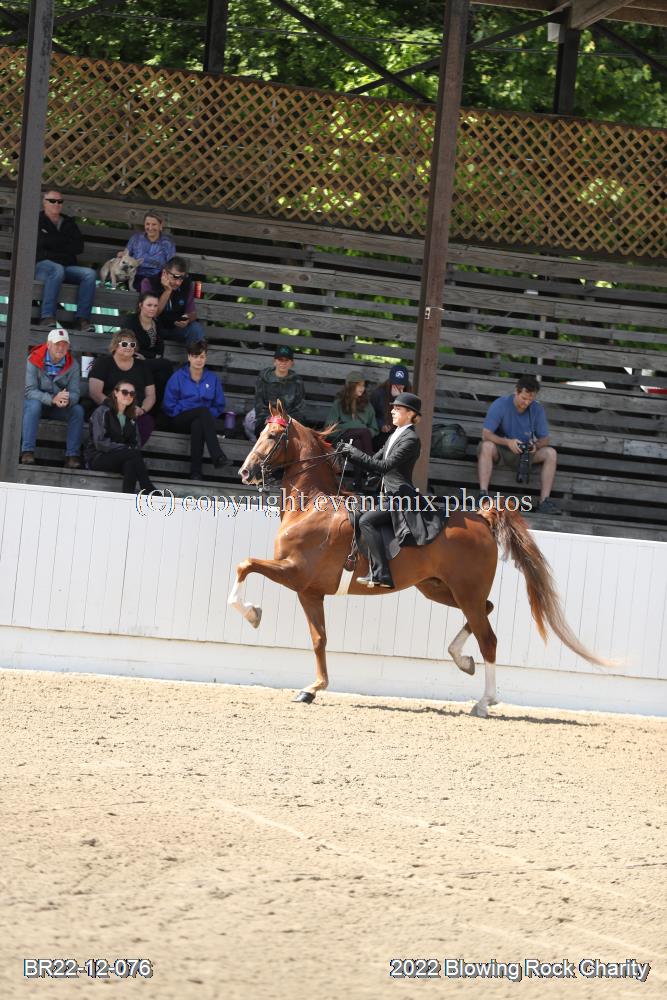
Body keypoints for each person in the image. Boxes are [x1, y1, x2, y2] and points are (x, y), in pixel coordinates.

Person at [340, 392, 441, 589]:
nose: (392, 411)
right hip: (386, 495)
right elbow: (373, 461)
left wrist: (353, 453)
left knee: (366, 521)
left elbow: (384, 466)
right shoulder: (394, 436)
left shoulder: (411, 439)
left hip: (400, 498)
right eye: (393, 407)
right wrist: (347, 454)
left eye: (398, 408)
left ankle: (382, 574)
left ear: (410, 414)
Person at [478, 374, 560, 514]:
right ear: (516, 391)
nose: (526, 403)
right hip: (501, 450)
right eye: (524, 398)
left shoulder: (537, 409)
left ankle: (544, 501)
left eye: (530, 399)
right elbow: (485, 434)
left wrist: (536, 446)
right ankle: (483, 495)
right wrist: (507, 442)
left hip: (524, 453)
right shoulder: (501, 404)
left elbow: (545, 439)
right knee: (486, 446)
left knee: (551, 453)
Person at [162, 339, 232, 480]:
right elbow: (169, 405)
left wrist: (205, 416)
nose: (199, 360)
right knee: (202, 411)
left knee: (198, 423)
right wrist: (188, 409)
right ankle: (217, 456)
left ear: (206, 358)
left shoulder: (212, 378)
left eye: (202, 356)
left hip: (203, 421)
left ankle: (196, 473)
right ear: (189, 357)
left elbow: (219, 405)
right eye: (195, 356)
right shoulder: (178, 377)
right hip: (180, 419)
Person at [21, 327, 84, 468]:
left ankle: (72, 456)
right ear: (48, 344)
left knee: (77, 411)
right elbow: (29, 391)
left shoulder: (73, 365)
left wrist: (67, 400)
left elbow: (75, 393)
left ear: (68, 346)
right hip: (34, 405)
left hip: (58, 408)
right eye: (57, 344)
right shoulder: (33, 359)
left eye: (64, 344)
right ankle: (27, 452)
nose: (61, 348)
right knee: (34, 405)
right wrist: (52, 399)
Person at [35, 188, 97, 331]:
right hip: (43, 267)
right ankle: (47, 317)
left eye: (60, 201)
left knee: (90, 274)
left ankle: (82, 320)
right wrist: (63, 244)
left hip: (66, 267)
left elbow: (78, 247)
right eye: (52, 201)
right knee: (57, 269)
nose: (56, 204)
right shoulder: (37, 220)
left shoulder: (69, 222)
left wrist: (52, 243)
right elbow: (39, 245)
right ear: (44, 203)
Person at [86, 381, 157, 494]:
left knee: (130, 463)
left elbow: (136, 442)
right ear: (115, 393)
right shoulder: (102, 411)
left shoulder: (131, 416)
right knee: (132, 454)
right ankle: (148, 487)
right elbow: (100, 443)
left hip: (121, 457)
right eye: (124, 392)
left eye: (132, 394)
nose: (128, 396)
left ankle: (128, 495)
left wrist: (127, 450)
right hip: (98, 457)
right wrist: (125, 449)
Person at [87, 331, 156, 444]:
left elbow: (151, 395)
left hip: (134, 411)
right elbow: (95, 393)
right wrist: (118, 408)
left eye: (132, 344)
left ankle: (131, 450)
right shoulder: (103, 362)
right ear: (115, 345)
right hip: (109, 409)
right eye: (124, 344)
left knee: (147, 421)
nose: (129, 347)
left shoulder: (142, 366)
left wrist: (142, 410)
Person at [120, 292, 174, 405]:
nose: (152, 308)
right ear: (141, 305)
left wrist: (148, 357)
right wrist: (152, 356)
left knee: (161, 375)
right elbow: (131, 346)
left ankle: (155, 409)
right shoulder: (131, 321)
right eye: (149, 305)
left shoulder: (157, 324)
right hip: (132, 360)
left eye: (155, 306)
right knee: (166, 365)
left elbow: (160, 349)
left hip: (149, 362)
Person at [140, 256, 204, 346]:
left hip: (177, 329)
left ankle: (196, 355)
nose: (178, 283)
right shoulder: (149, 283)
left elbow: (192, 313)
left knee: (195, 328)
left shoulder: (187, 284)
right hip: (155, 328)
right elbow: (151, 314)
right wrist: (167, 291)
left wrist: (188, 319)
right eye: (175, 277)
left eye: (181, 278)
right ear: (164, 273)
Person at [253, 344, 306, 438]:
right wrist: (269, 419)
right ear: (274, 361)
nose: (283, 363)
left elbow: (299, 408)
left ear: (292, 363)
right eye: (280, 359)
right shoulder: (263, 378)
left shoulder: (297, 382)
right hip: (266, 420)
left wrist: (285, 420)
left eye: (287, 360)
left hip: (288, 421)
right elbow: (259, 404)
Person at [326, 371, 378, 455]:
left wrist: (364, 432)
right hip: (341, 438)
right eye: (359, 385)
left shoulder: (367, 405)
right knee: (363, 432)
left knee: (358, 443)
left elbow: (374, 429)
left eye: (363, 385)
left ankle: (366, 463)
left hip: (361, 439)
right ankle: (370, 461)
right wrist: (354, 426)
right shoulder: (338, 403)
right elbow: (329, 427)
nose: (362, 388)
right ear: (351, 386)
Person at [122, 211, 176, 290]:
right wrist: (121, 255)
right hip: (136, 275)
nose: (150, 228)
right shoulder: (135, 239)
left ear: (160, 226)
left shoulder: (168, 243)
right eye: (147, 224)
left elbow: (171, 265)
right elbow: (125, 257)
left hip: (157, 277)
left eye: (154, 224)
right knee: (142, 285)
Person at [370, 364, 411, 448]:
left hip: (399, 433)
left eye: (402, 384)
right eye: (396, 383)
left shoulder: (408, 393)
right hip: (381, 435)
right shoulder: (378, 394)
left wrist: (399, 398)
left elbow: (408, 417)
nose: (399, 386)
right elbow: (371, 416)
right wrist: (381, 425)